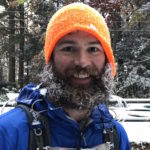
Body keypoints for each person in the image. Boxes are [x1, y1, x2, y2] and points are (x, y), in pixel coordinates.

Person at [0, 2, 130, 150]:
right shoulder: (8, 134)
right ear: (51, 58)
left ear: (107, 60)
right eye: (68, 48)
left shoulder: (116, 137)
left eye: (93, 49)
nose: (82, 62)